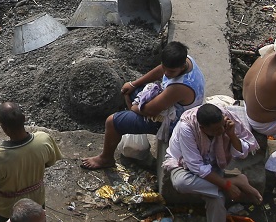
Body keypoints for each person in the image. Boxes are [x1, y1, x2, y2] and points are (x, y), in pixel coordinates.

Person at [162, 101, 263, 222]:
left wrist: (231, 135)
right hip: (184, 166)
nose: (219, 133)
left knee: (217, 201)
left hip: (213, 165)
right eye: (214, 132)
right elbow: (196, 167)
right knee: (181, 184)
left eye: (220, 129)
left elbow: (241, 153)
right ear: (202, 128)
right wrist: (227, 185)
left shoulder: (226, 121)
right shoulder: (187, 127)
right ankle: (236, 180)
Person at [81, 40, 206, 170]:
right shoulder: (186, 60)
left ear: (181, 66)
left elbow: (150, 110)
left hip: (171, 122)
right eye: (165, 68)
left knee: (111, 122)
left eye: (171, 71)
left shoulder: (179, 87)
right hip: (170, 104)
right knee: (131, 91)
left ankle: (105, 158)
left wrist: (133, 107)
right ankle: (129, 120)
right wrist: (134, 84)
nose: (167, 73)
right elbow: (160, 71)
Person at [0, 104, 62, 222]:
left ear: (3, 127)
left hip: (6, 210)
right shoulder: (44, 140)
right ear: (24, 118)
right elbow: (50, 162)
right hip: (35, 203)